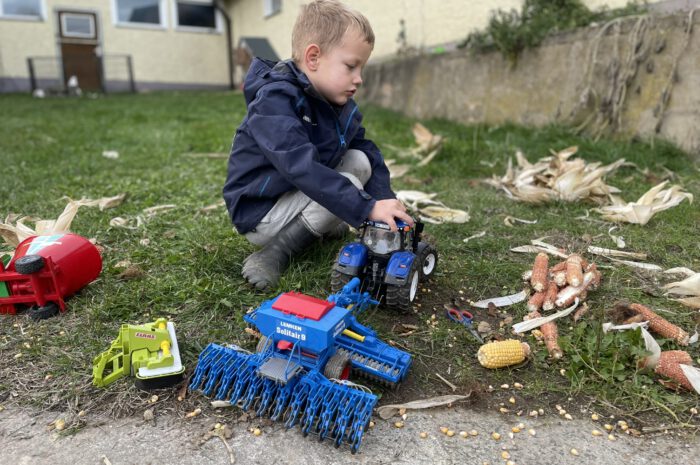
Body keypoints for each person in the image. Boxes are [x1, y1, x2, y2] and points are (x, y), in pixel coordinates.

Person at [223, 0, 413, 290]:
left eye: (361, 68)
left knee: (359, 160)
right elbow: (301, 168)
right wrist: (365, 208)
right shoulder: (274, 101)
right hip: (262, 212)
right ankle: (275, 253)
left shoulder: (335, 101)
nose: (358, 79)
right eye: (350, 66)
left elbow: (368, 154)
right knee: (347, 181)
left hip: (294, 194)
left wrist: (384, 203)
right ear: (313, 58)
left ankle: (323, 219)